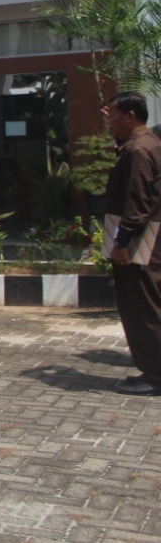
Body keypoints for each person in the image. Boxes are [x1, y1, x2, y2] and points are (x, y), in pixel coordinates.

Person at [102, 90, 161, 396]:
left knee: (144, 306)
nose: (109, 120)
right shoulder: (146, 143)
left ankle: (156, 375)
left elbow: (137, 201)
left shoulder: (138, 150)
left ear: (130, 115)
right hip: (147, 235)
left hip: (140, 238)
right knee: (144, 303)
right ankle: (151, 369)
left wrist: (122, 241)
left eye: (112, 114)